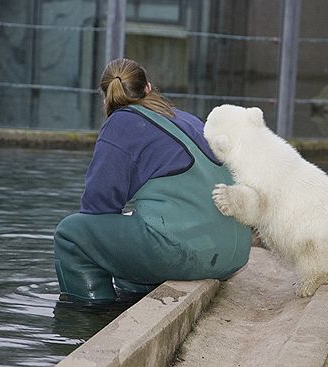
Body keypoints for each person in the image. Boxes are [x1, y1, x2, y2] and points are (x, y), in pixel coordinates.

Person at [53, 58, 252, 304]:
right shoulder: (186, 119)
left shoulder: (120, 123)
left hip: (189, 253)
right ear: (148, 87)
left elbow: (98, 206)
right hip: (235, 252)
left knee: (72, 234)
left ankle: (91, 315)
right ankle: (133, 299)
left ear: (106, 98)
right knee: (134, 230)